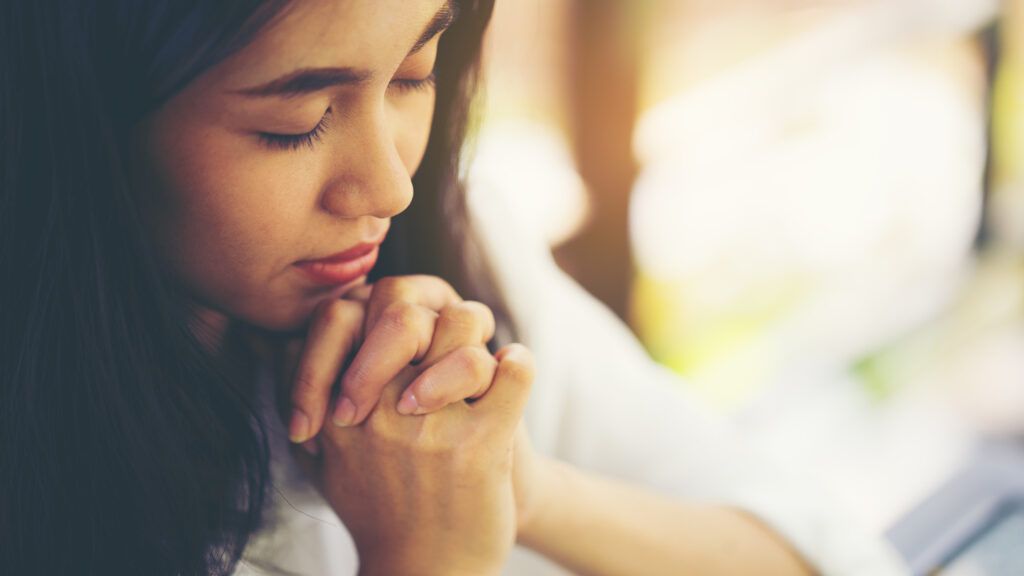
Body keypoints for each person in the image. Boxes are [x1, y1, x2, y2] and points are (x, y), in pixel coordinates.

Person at [0, 0, 909, 574]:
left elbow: (824, 553)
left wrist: (522, 492)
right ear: (79, 124)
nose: (389, 187)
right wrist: (428, 558)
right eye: (296, 122)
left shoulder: (458, 254)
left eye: (412, 76)